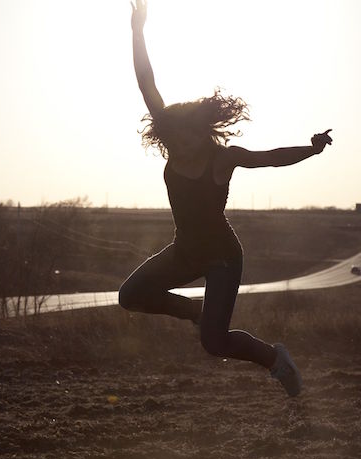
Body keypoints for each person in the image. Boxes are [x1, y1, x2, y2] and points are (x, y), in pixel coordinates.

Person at [118, 0, 333, 397]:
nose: (184, 142)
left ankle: (275, 359)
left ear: (205, 132)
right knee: (129, 295)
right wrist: (137, 31)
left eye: (192, 134)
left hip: (222, 258)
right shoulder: (176, 148)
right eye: (177, 136)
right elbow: (147, 82)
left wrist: (311, 149)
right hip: (184, 251)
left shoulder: (224, 158)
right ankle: (193, 312)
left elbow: (270, 159)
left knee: (214, 343)